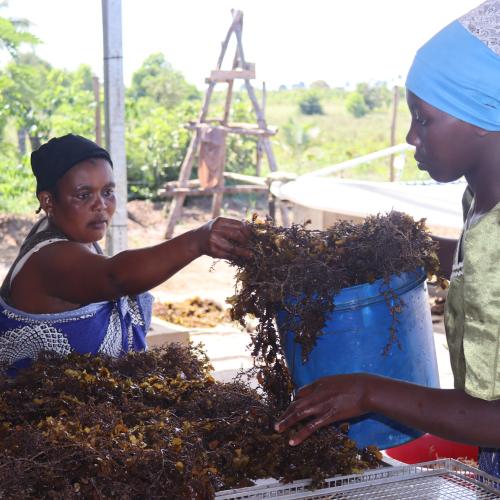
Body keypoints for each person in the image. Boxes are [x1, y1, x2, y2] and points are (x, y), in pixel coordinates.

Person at [275, 0, 500, 478]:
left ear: (483, 114)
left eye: (424, 119)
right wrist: (405, 251)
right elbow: (477, 263)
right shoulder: (478, 200)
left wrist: (368, 391)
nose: (412, 138)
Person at [0, 134, 250, 374]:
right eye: (83, 195)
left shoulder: (74, 237)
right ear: (48, 202)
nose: (101, 205)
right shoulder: (49, 258)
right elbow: (114, 277)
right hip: (40, 414)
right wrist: (196, 241)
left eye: (108, 192)